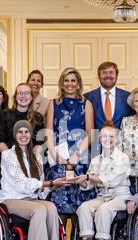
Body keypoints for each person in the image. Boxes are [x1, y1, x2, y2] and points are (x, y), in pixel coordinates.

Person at [0, 120, 68, 240]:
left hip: (31, 199)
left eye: (26, 132)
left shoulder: (36, 156)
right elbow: (21, 184)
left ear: (31, 135)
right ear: (15, 135)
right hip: (11, 199)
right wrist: (49, 183)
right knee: (39, 209)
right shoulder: (7, 155)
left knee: (50, 206)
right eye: (20, 132)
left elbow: (39, 192)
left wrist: (53, 186)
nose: (23, 135)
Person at [74, 121, 131, 240]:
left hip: (120, 195)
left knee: (104, 209)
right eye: (104, 136)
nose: (108, 139)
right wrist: (80, 181)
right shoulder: (95, 160)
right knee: (84, 207)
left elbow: (111, 180)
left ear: (117, 138)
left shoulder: (123, 158)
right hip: (102, 196)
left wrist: (88, 178)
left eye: (111, 136)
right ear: (100, 139)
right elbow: (90, 184)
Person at [46, 67, 96, 226]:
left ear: (78, 83)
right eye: (66, 80)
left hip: (79, 159)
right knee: (59, 206)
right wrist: (53, 153)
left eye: (73, 80)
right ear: (61, 84)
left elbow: (91, 133)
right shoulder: (53, 104)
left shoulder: (86, 104)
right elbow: (48, 131)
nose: (69, 84)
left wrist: (77, 154)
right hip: (59, 159)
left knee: (78, 206)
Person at [0, 83, 45, 153]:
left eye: (26, 93)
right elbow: (0, 140)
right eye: (20, 93)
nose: (23, 96)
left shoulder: (38, 117)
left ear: (31, 98)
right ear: (15, 97)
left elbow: (40, 142)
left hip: (31, 159)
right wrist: (10, 157)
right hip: (9, 159)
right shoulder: (5, 114)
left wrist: (32, 158)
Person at [84, 61, 133, 130]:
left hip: (121, 139)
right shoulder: (87, 98)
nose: (108, 76)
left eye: (111, 72)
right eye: (104, 73)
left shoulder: (128, 97)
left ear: (116, 75)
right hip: (96, 139)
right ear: (99, 76)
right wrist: (94, 140)